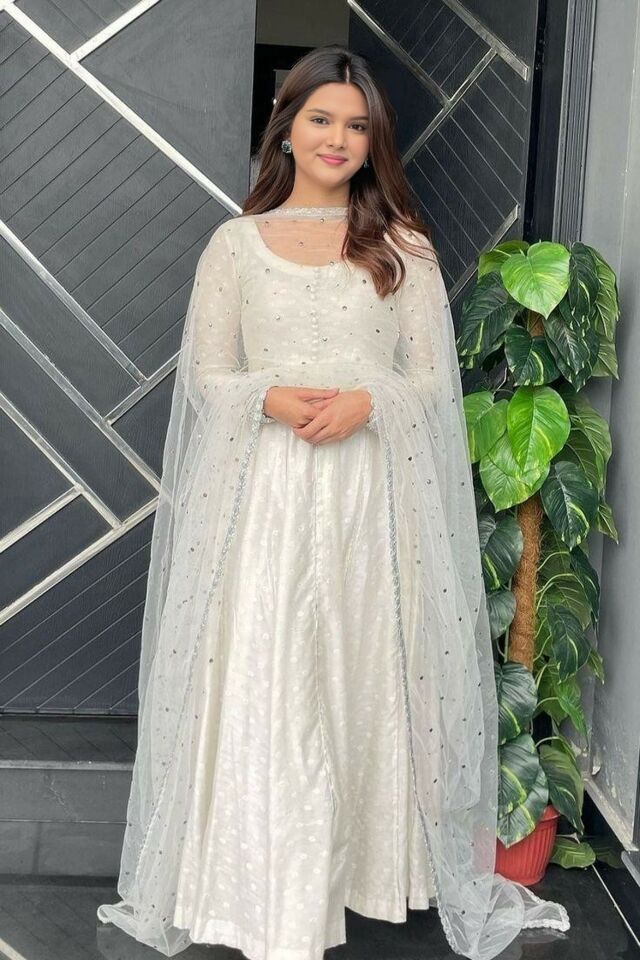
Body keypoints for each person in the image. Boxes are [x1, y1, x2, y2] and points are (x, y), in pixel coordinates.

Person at [97, 44, 570, 960]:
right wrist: (268, 396)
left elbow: (431, 386)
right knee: (269, 672)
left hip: (369, 499)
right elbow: (207, 374)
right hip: (263, 497)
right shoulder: (235, 246)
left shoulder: (404, 249)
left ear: (373, 141)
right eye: (321, 119)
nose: (337, 139)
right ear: (287, 127)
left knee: (358, 672)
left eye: (357, 125)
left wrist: (369, 401)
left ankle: (362, 875)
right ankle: (264, 888)